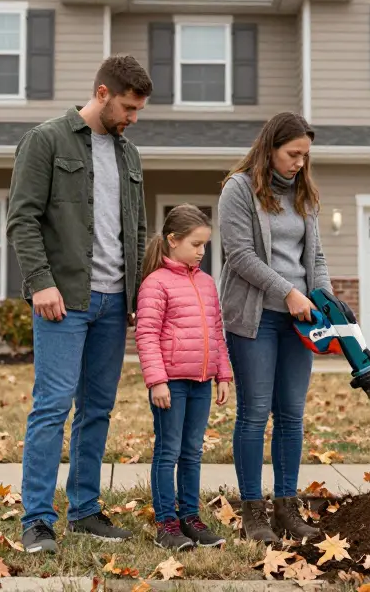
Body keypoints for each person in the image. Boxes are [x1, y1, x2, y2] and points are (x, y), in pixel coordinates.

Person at [6, 54, 153, 553]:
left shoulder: (129, 155)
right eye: (129, 107)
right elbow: (22, 219)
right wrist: (40, 282)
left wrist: (138, 293)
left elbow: (136, 230)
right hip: (63, 301)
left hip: (115, 303)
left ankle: (86, 510)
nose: (133, 118)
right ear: (103, 93)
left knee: (97, 410)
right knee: (51, 408)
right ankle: (37, 519)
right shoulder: (45, 140)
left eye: (139, 111)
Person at [217, 111, 332, 542]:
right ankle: (253, 514)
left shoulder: (304, 194)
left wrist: (323, 300)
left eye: (305, 156)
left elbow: (316, 259)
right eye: (292, 154)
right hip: (256, 317)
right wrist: (287, 292)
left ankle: (286, 508)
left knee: (291, 415)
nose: (300, 163)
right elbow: (240, 256)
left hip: (299, 321)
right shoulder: (239, 189)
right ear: (270, 149)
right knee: (253, 413)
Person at [134, 204, 235, 550]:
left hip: (201, 382)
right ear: (173, 241)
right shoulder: (155, 284)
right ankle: (167, 524)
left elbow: (216, 331)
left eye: (205, 245)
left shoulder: (206, 283)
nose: (202, 251)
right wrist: (157, 381)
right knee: (168, 451)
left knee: (192, 451)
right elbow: (145, 335)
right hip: (171, 383)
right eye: (196, 244)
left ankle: (190, 518)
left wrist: (223, 373)